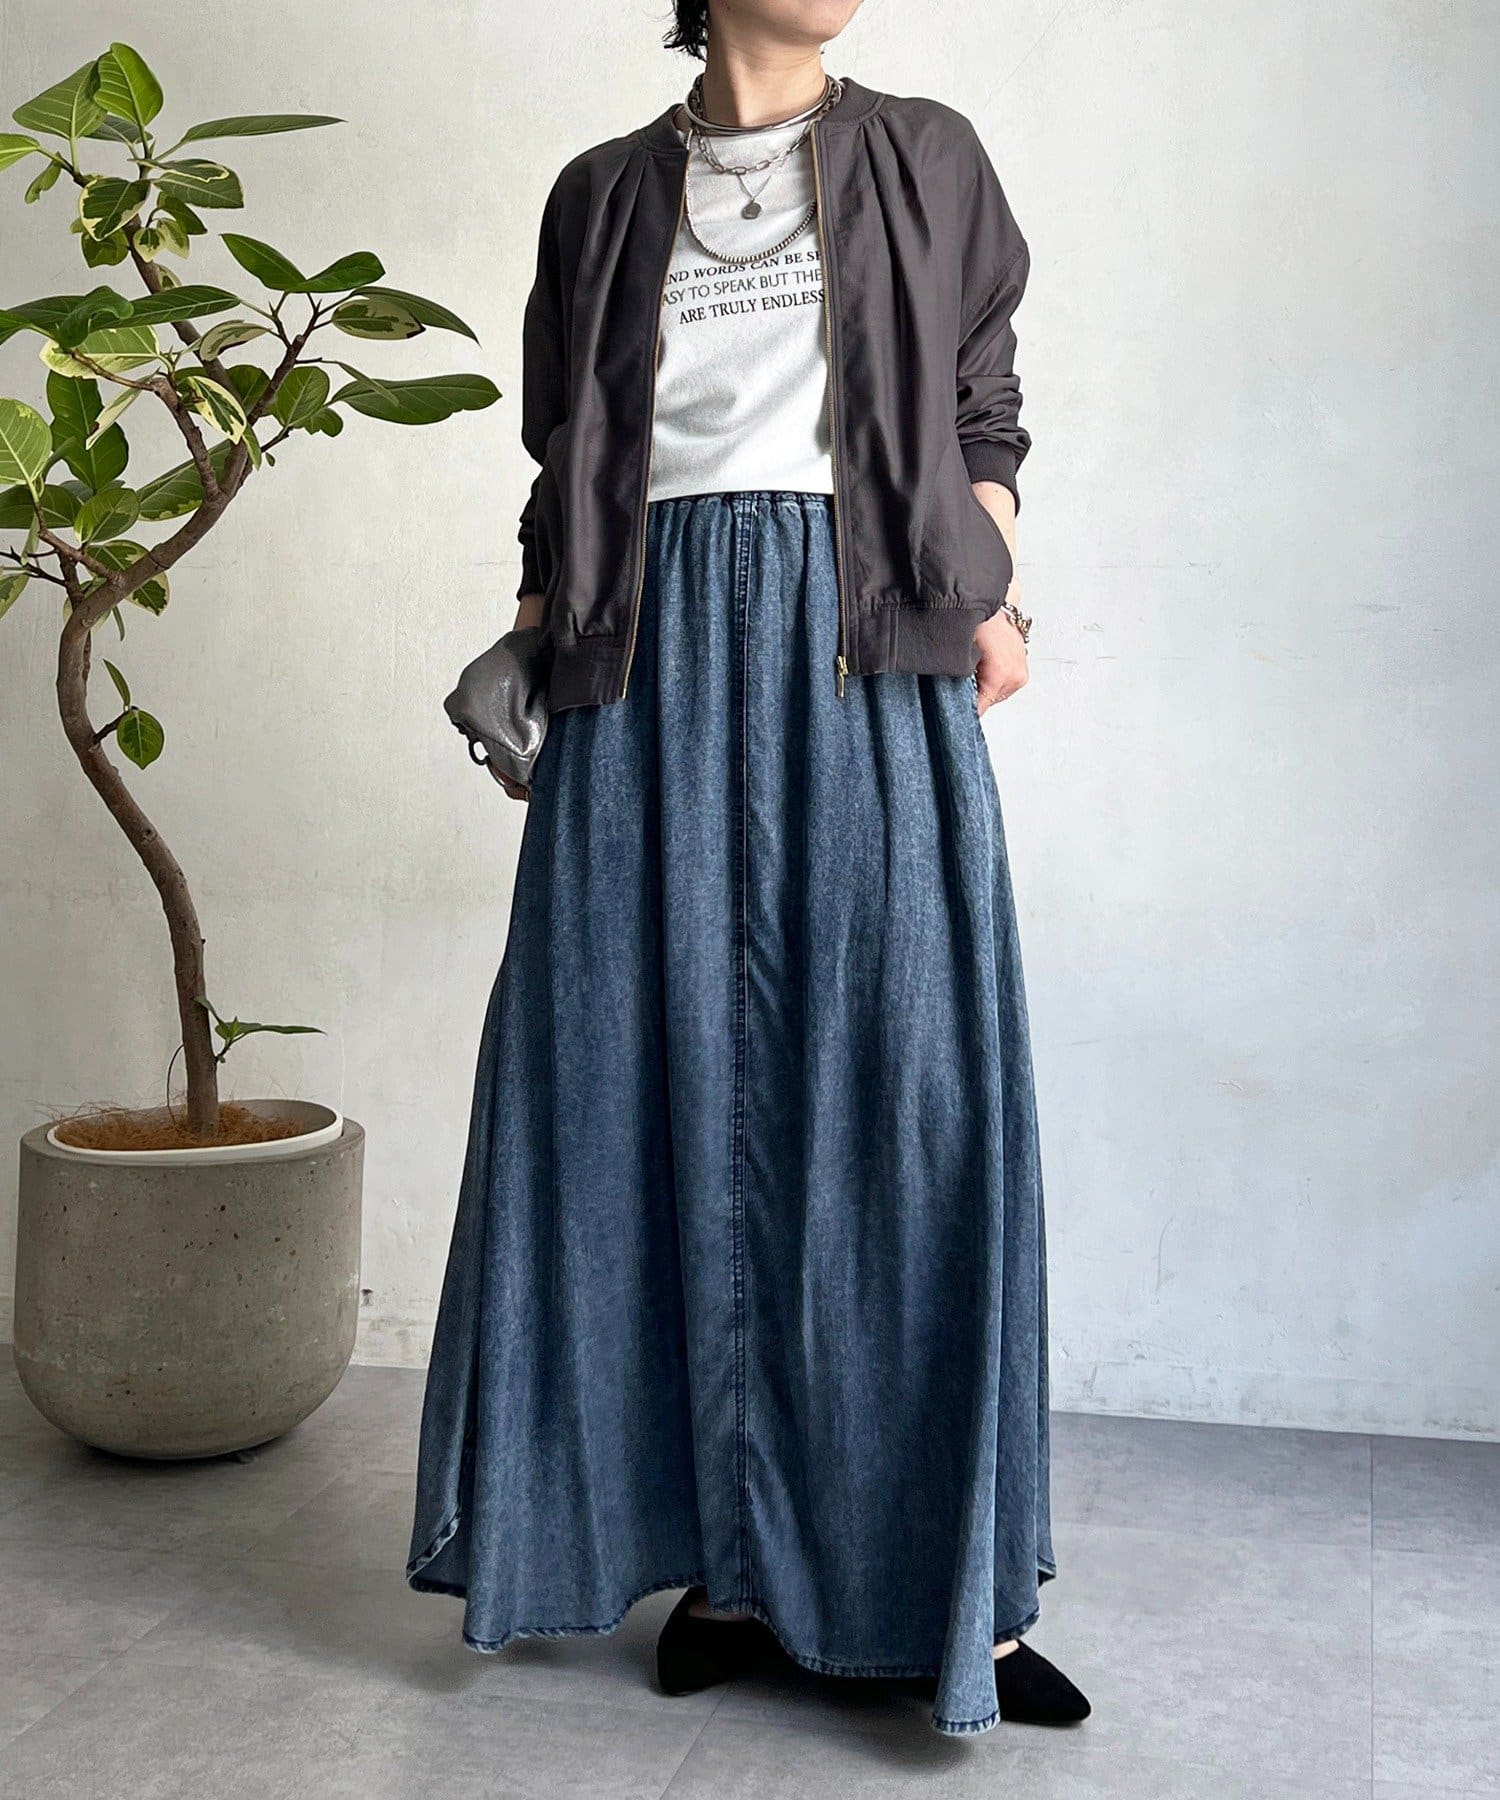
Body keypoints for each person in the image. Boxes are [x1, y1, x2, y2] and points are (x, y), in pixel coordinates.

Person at [408, 0, 1090, 1737]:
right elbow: (566, 452)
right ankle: (723, 1560)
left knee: (904, 1106)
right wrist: (530, 637)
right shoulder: (599, 193)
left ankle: (959, 1602)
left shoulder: (927, 153)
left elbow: (983, 410)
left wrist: (994, 592)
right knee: (642, 1100)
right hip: (642, 658)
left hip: (863, 638)